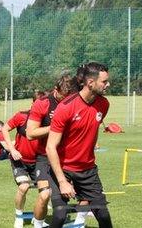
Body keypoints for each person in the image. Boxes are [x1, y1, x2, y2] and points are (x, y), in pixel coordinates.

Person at [45, 62, 113, 228]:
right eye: (104, 82)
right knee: (60, 214)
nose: (108, 85)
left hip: (88, 171)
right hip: (63, 169)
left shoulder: (104, 105)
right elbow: (50, 147)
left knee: (104, 216)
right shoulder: (66, 107)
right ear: (90, 83)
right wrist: (62, 182)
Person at [25, 73, 78, 228]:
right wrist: (55, 127)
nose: (66, 101)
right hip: (44, 156)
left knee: (67, 195)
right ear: (56, 90)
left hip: (66, 156)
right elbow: (30, 133)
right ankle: (38, 224)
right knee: (44, 194)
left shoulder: (75, 101)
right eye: (63, 97)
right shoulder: (43, 104)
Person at [1, 91, 45, 228]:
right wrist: (12, 149)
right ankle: (19, 216)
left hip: (39, 161)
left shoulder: (48, 120)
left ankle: (38, 219)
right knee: (24, 186)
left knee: (45, 192)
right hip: (19, 160)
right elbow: (4, 129)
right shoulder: (21, 116)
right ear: (33, 103)